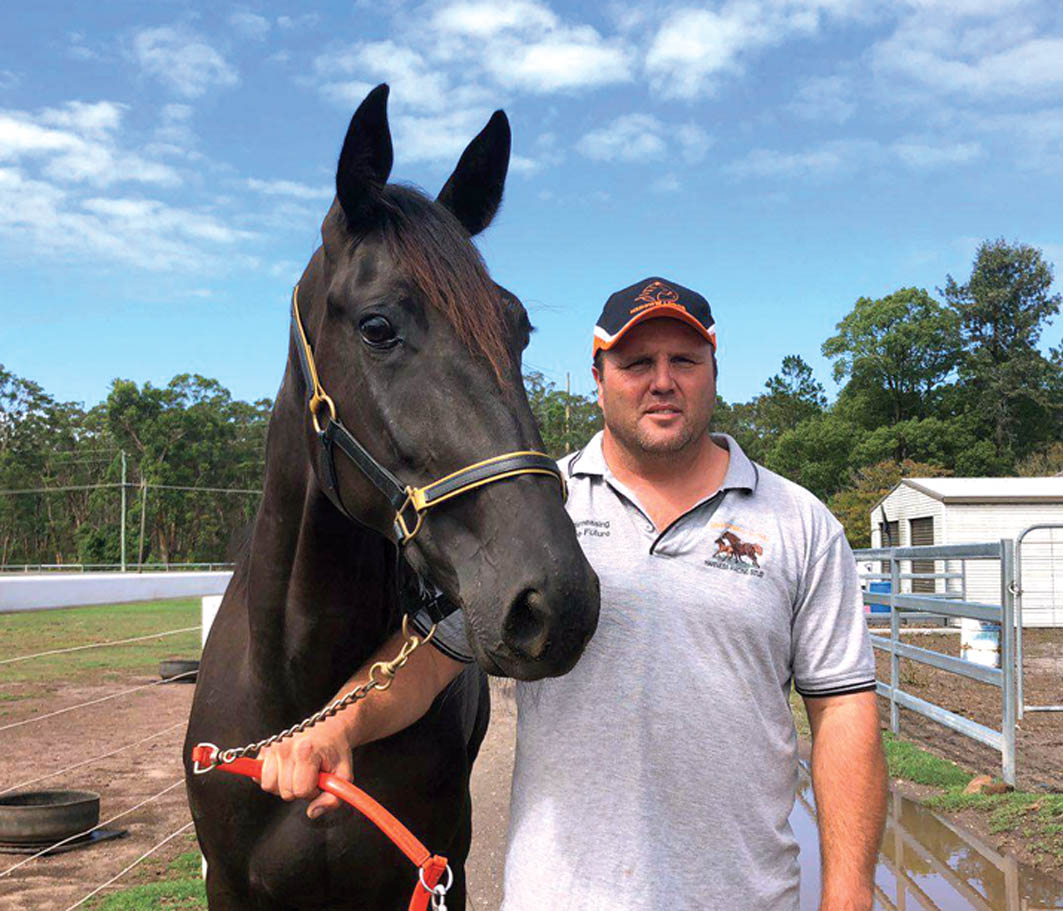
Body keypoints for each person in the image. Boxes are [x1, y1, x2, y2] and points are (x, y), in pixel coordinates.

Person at [258, 276, 887, 910]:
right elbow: (425, 661)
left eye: (684, 361)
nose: (662, 381)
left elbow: (843, 711)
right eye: (636, 363)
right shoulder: (530, 514)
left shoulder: (800, 523)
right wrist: (336, 726)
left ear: (714, 373)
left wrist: (850, 891)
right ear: (598, 378)